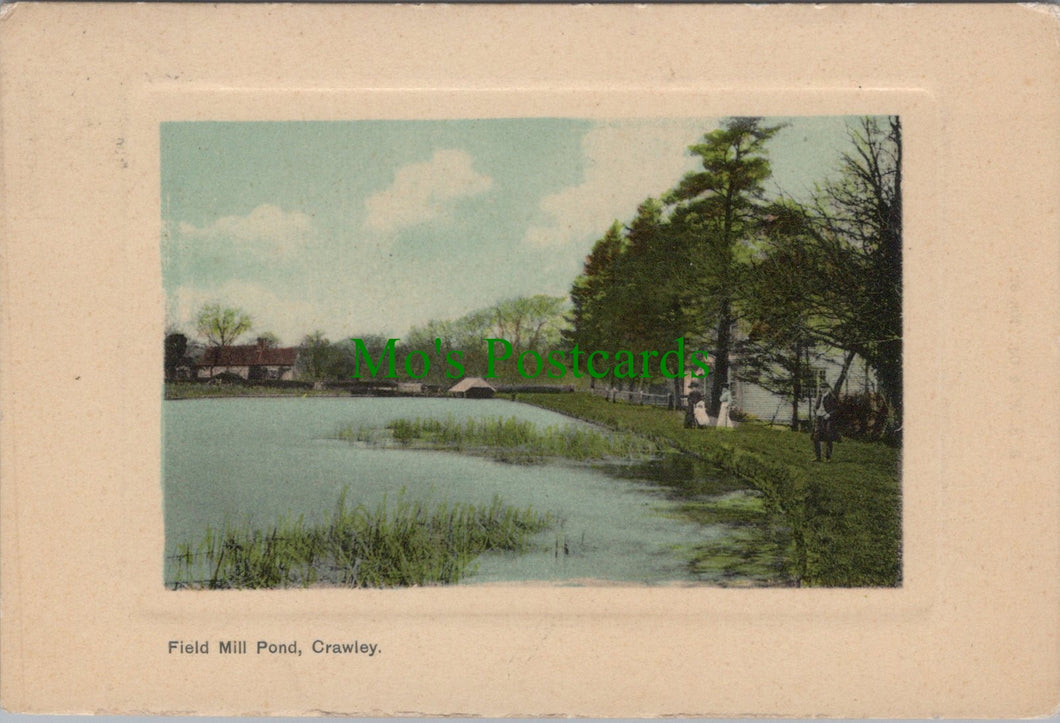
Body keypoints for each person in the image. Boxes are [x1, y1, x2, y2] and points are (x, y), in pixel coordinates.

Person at [813, 382, 839, 461]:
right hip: (819, 417)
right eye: (821, 387)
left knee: (828, 437)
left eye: (824, 387)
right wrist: (815, 411)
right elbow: (816, 406)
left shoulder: (831, 397)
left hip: (827, 419)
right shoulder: (819, 396)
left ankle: (828, 457)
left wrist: (829, 414)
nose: (822, 389)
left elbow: (836, 409)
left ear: (828, 388)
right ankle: (818, 457)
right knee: (816, 437)